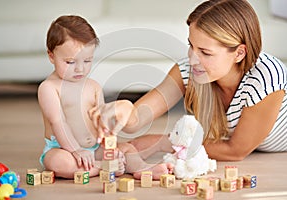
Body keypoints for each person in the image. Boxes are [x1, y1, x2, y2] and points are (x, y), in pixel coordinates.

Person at [90, 0, 287, 162]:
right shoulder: (188, 70)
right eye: (191, 45)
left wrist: (165, 142)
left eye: (205, 52)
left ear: (239, 53)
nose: (192, 59)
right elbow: (139, 119)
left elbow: (235, 151)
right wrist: (126, 109)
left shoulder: (266, 78)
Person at [38, 15, 173, 179]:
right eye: (70, 62)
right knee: (57, 162)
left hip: (95, 148)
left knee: (128, 150)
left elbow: (102, 122)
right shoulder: (49, 88)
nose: (80, 69)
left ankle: (143, 169)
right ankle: (102, 167)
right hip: (64, 148)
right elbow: (58, 122)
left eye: (87, 61)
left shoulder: (93, 86)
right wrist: (76, 150)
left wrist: (111, 148)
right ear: (51, 56)